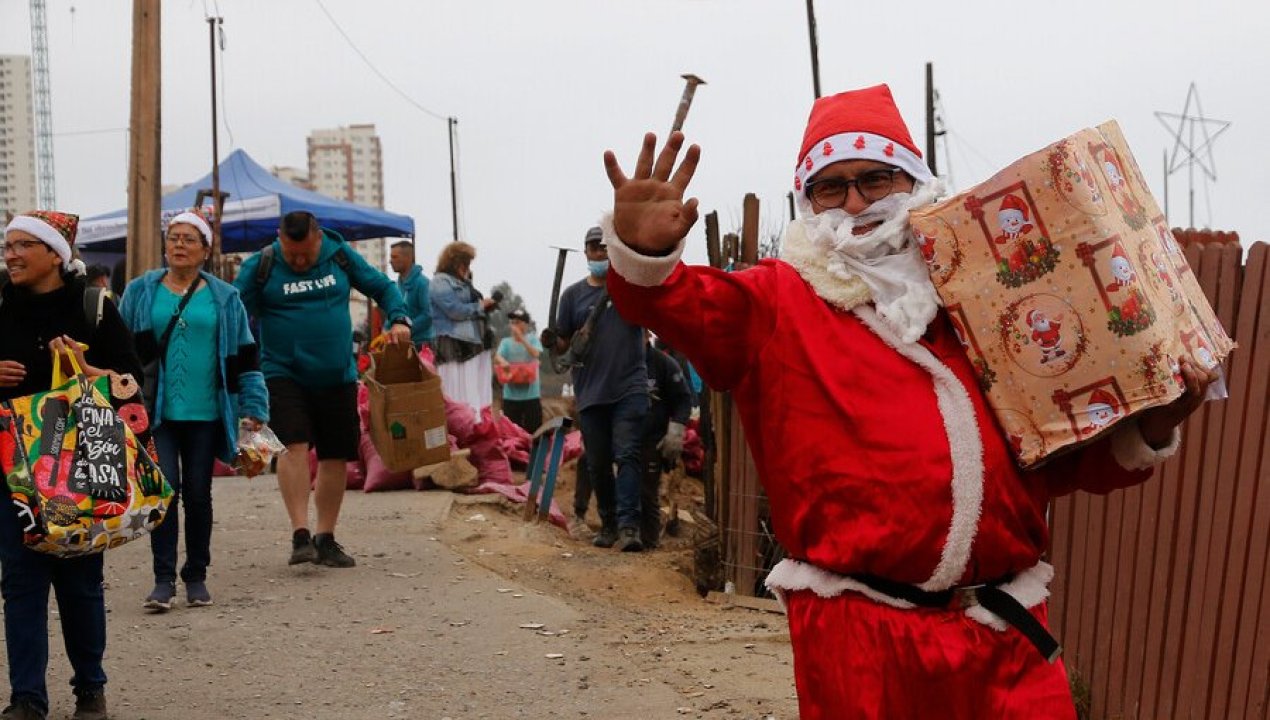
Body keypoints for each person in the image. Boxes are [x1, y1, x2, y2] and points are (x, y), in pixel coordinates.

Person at [598, 85, 1218, 718]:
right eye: (830, 188)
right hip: (862, 644)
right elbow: (683, 306)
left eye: (876, 178)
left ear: (915, 181)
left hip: (1007, 635)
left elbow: (1056, 451)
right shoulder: (776, 301)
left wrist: (1152, 427)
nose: (856, 202)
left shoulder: (985, 297)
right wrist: (645, 256)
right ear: (807, 200)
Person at [0, 210, 143, 720]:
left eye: (23, 245)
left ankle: (90, 688)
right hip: (13, 468)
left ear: (54, 255)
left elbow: (131, 388)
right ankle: (27, 698)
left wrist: (89, 371)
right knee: (20, 582)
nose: (12, 254)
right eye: (8, 245)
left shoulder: (93, 307)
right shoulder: (0, 304)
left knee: (79, 581)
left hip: (80, 465)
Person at [234, 211, 411, 569]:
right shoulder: (261, 265)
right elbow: (232, 311)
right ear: (280, 240)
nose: (299, 261)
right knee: (294, 444)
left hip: (336, 375)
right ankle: (300, 534)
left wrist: (398, 319)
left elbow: (383, 287)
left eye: (306, 254)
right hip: (282, 372)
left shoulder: (339, 255)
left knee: (334, 455)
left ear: (318, 238)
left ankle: (325, 537)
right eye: (291, 253)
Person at [118, 210, 269, 611]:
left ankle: (196, 574)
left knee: (199, 495)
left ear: (205, 250)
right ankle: (163, 580)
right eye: (173, 238)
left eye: (189, 239)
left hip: (208, 414)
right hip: (156, 413)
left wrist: (254, 406)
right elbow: (120, 348)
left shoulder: (225, 297)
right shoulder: (140, 291)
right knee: (165, 491)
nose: (179, 245)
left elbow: (246, 355)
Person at [542, 227, 648, 552]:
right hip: (590, 393)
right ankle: (609, 523)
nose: (600, 253)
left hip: (629, 387)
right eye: (594, 248)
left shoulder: (631, 289)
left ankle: (629, 527)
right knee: (598, 463)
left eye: (604, 247)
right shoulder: (572, 297)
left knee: (627, 454)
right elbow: (562, 345)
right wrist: (553, 340)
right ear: (586, 252)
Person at [638, 333, 692, 549]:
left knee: (647, 490)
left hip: (653, 439)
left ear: (646, 336)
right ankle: (621, 531)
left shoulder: (663, 364)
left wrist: (676, 430)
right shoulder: (620, 363)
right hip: (624, 437)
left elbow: (683, 399)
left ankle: (650, 540)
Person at [429, 242, 496, 415]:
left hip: (473, 343)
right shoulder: (440, 282)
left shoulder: (463, 282)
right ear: (455, 262)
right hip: (453, 343)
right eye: (465, 263)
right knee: (456, 392)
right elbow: (454, 311)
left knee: (473, 392)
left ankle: (476, 424)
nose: (467, 267)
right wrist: (480, 306)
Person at [494, 307, 543, 434]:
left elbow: (536, 353)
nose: (514, 325)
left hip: (531, 395)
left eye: (518, 322)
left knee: (534, 430)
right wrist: (503, 362)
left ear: (525, 324)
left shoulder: (532, 339)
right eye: (512, 322)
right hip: (511, 396)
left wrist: (522, 339)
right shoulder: (505, 342)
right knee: (511, 432)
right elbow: (498, 356)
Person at [386, 240, 434, 350]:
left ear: (408, 258)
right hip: (402, 345)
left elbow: (428, 314)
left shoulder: (423, 283)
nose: (390, 261)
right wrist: (386, 328)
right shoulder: (396, 285)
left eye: (395, 257)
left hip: (422, 345)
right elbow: (394, 311)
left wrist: (405, 327)